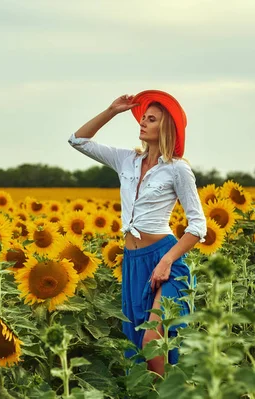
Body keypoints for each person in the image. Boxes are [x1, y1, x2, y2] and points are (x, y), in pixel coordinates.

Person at [67, 90, 207, 375]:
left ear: (165, 127)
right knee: (139, 350)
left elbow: (197, 226)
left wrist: (166, 261)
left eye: (151, 119)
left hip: (165, 259)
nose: (142, 123)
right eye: (142, 117)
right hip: (133, 262)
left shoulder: (178, 170)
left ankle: (169, 394)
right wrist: (112, 110)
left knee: (153, 341)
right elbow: (77, 140)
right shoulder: (126, 160)